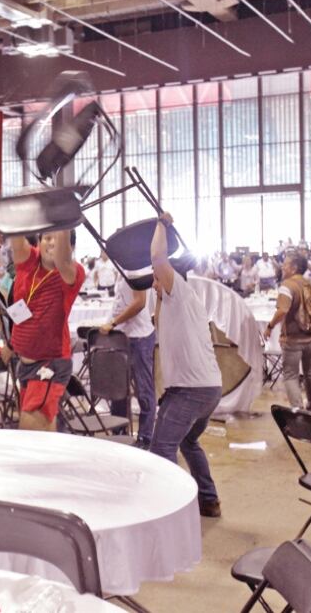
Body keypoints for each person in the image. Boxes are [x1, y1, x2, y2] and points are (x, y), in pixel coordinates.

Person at [147, 212, 223, 518]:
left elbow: (157, 257)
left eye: (156, 278)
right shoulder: (174, 302)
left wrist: (161, 224)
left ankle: (172, 512)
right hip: (208, 387)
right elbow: (157, 323)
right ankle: (209, 500)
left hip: (191, 390)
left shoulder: (177, 289)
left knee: (161, 449)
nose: (154, 283)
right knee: (189, 442)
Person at [0, 230, 84, 431]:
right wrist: (12, 344)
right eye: (47, 238)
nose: (52, 243)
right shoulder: (29, 261)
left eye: (58, 239)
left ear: (71, 248)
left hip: (50, 362)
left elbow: (63, 260)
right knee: (43, 432)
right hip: (24, 363)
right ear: (38, 243)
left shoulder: (71, 271)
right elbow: (17, 238)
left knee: (31, 432)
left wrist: (62, 223)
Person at [101, 274, 156, 445]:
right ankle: (119, 432)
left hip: (139, 337)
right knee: (118, 389)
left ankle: (145, 437)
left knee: (143, 390)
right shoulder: (121, 269)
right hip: (121, 335)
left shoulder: (135, 269)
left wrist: (113, 322)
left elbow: (140, 302)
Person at [264, 254, 311, 411]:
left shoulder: (287, 286)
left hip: (293, 340)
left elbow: (282, 310)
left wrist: (270, 326)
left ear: (294, 268)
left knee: (290, 375)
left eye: (286, 264)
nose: (283, 267)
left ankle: (298, 410)